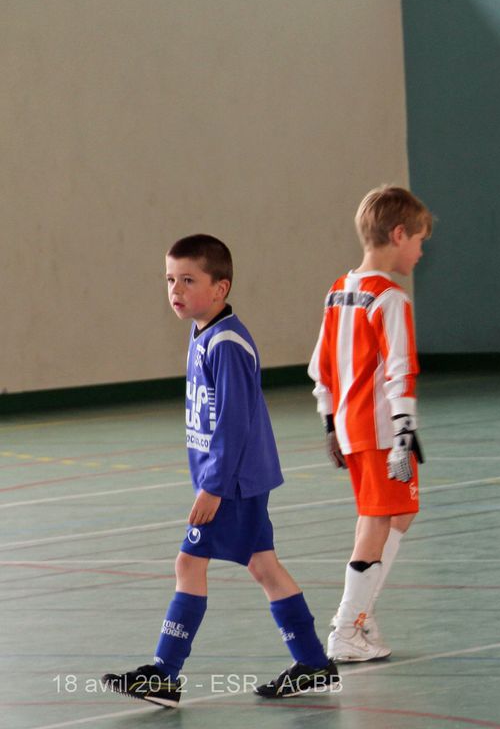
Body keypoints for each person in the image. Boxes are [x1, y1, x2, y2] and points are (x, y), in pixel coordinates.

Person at [102, 235, 338, 707]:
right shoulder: (203, 332)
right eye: (171, 279)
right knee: (263, 566)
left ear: (220, 287)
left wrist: (212, 487)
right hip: (235, 479)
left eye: (188, 280)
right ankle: (313, 663)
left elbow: (234, 421)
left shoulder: (225, 343)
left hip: (232, 482)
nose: (176, 289)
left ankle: (165, 673)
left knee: (189, 563)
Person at [309, 186, 431, 661]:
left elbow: (322, 366)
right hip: (382, 432)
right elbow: (400, 368)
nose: (421, 251)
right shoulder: (390, 298)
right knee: (376, 521)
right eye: (418, 240)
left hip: (351, 426)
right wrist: (404, 434)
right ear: (398, 235)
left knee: (399, 512)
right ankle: (346, 626)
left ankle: (361, 615)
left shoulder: (339, 291)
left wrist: (328, 422)